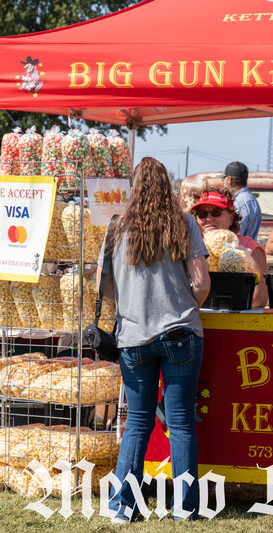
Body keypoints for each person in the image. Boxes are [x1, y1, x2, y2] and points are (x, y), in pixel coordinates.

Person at [97, 157, 210, 523]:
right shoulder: (185, 224)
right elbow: (202, 283)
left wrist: (133, 307)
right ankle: (184, 507)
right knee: (179, 424)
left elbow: (104, 285)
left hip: (133, 337)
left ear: (133, 188)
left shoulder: (116, 228)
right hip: (180, 334)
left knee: (138, 423)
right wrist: (184, 308)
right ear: (168, 186)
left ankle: (122, 507)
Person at [190, 187, 269, 308]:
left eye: (216, 212)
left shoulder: (251, 248)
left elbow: (259, 299)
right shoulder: (190, 246)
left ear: (231, 218)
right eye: (202, 214)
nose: (209, 218)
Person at [222, 161, 261, 241]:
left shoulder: (237, 202)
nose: (222, 183)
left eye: (223, 179)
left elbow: (235, 236)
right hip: (250, 249)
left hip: (239, 250)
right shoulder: (252, 199)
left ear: (229, 180)